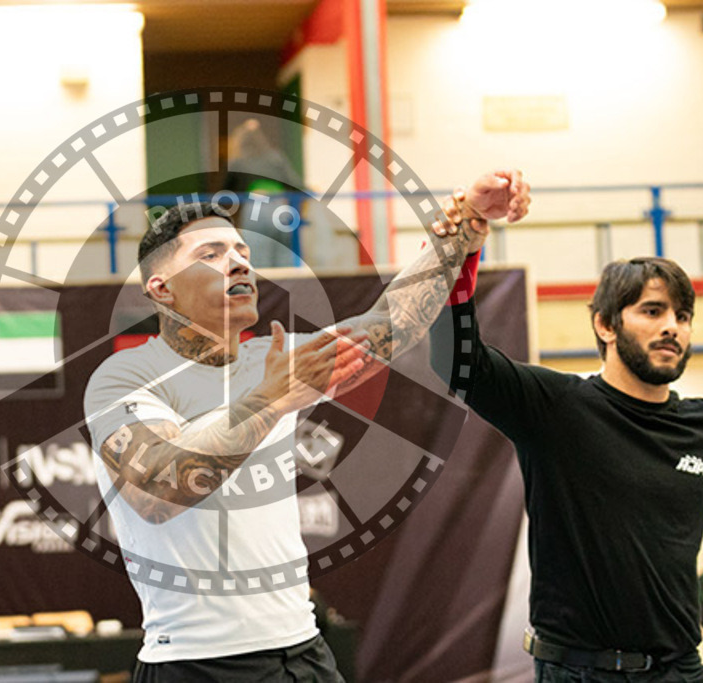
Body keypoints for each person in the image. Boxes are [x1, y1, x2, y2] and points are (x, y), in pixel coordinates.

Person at [83, 170, 529, 682]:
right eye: (210, 254)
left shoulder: (272, 359)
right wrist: (271, 399)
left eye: (242, 252)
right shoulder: (126, 378)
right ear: (161, 289)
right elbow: (158, 492)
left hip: (302, 652)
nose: (238, 262)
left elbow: (395, 323)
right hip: (195, 662)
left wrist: (466, 226)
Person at [433, 225, 703, 679]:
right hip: (578, 671)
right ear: (605, 324)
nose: (672, 326)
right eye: (652, 311)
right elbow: (454, 357)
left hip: (680, 671)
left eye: (683, 315)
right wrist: (462, 247)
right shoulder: (556, 408)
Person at [222, 118, 305, 268]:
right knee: (285, 257)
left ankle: (264, 291)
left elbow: (227, 191)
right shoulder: (276, 157)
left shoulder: (238, 160)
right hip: (282, 208)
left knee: (259, 260)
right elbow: (297, 185)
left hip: (255, 207)